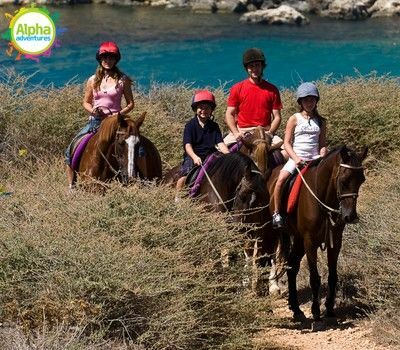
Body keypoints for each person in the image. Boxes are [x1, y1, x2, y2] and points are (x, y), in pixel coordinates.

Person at [65, 41, 134, 190]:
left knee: (135, 145)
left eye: (111, 58)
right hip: (95, 122)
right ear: (100, 59)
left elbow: (130, 104)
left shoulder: (123, 80)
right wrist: (93, 111)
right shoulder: (92, 80)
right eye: (105, 58)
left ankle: (138, 177)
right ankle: (71, 186)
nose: (108, 61)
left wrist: (118, 115)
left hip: (116, 122)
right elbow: (85, 102)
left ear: (116, 60)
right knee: (72, 148)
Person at [272, 82, 327, 229]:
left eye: (312, 99)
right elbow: (287, 142)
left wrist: (322, 155)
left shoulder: (321, 122)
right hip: (296, 158)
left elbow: (322, 145)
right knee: (280, 180)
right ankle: (277, 213)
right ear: (300, 102)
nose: (309, 103)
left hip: (314, 159)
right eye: (305, 100)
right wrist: (296, 159)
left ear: (316, 101)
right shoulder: (294, 118)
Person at [224, 47, 283, 149]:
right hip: (242, 131)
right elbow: (229, 113)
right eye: (251, 66)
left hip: (264, 131)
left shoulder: (272, 90)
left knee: (286, 153)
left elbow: (277, 116)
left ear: (262, 67)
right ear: (247, 68)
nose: (255, 69)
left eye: (257, 65)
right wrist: (236, 132)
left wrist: (270, 133)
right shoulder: (237, 88)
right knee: (220, 152)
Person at [175, 90, 230, 200]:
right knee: (185, 173)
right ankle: (177, 198)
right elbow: (188, 145)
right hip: (193, 156)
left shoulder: (214, 126)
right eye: (201, 107)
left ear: (211, 110)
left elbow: (220, 143)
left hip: (210, 155)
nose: (203, 111)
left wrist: (229, 155)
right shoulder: (190, 125)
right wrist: (194, 157)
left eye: (207, 108)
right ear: (196, 109)